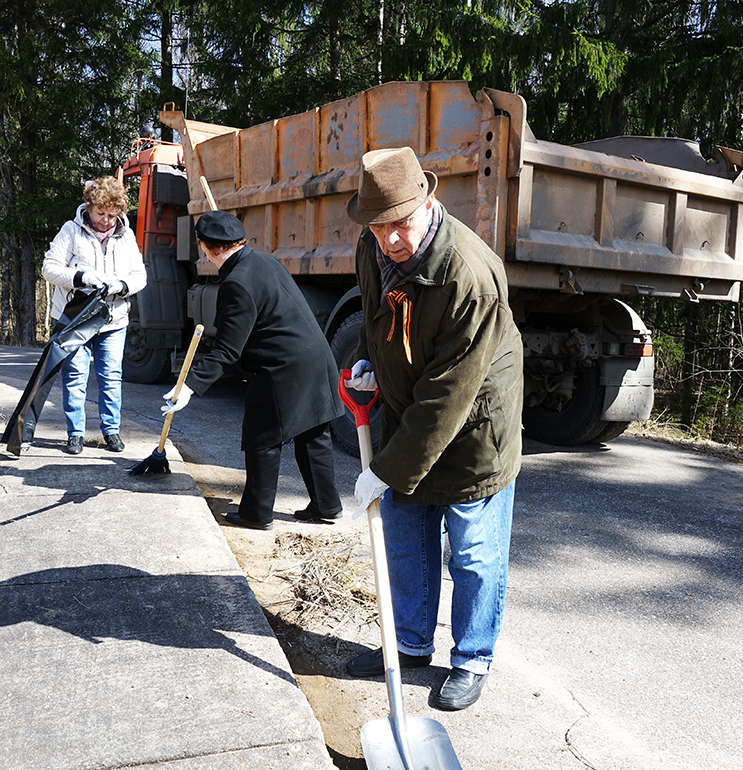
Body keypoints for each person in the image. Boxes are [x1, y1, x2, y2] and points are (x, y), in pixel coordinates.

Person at [343, 147, 523, 711]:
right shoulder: (371, 252)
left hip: (474, 427)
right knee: (405, 541)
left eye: (402, 222)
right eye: (379, 226)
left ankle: (471, 658)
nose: (391, 237)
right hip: (408, 410)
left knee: (472, 554)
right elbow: (378, 317)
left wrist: (387, 469)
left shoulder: (469, 274)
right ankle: (412, 645)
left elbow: (448, 395)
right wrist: (372, 361)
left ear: (429, 200)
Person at [162, 210, 343, 530]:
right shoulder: (265, 261)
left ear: (211, 248)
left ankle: (256, 514)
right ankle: (326, 506)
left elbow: (227, 350)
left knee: (262, 438)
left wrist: (187, 386)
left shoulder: (236, 284)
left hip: (282, 368)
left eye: (203, 246)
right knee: (313, 435)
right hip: (316, 358)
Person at [42, 176, 147, 455]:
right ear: (89, 207)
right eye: (101, 213)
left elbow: (140, 276)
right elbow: (49, 269)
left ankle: (111, 431)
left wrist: (122, 286)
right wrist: (82, 277)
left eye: (113, 215)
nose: (107, 220)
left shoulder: (126, 236)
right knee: (75, 375)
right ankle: (75, 434)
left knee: (111, 376)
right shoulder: (71, 231)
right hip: (75, 320)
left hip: (113, 321)